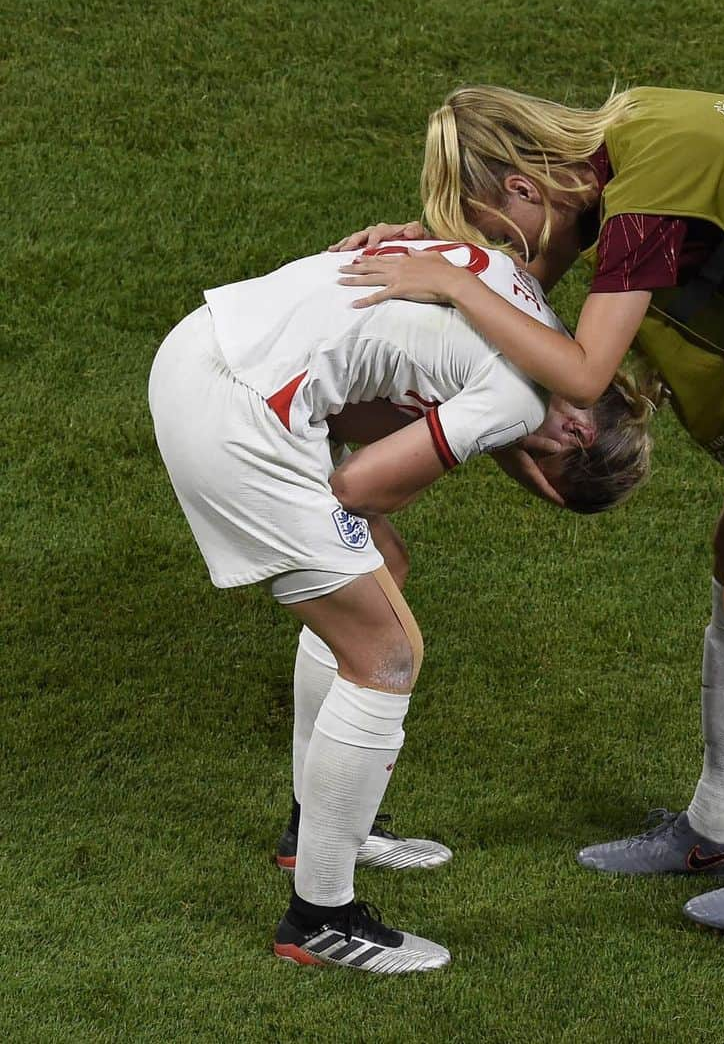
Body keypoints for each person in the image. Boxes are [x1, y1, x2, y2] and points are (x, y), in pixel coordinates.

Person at [330, 84, 724, 933]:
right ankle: (716, 828)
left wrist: (451, 282)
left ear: (525, 186)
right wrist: (435, 252)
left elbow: (583, 373)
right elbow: (539, 274)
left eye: (493, 226)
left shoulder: (646, 196)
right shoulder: (637, 133)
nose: (501, 248)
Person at [148, 240, 656, 973]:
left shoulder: (516, 294)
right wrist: (491, 443)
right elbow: (356, 486)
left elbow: (365, 403)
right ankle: (320, 919)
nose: (523, 465)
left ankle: (317, 833)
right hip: (236, 409)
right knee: (387, 654)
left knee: (383, 563)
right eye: (541, 472)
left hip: (215, 340)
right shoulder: (519, 398)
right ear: (575, 430)